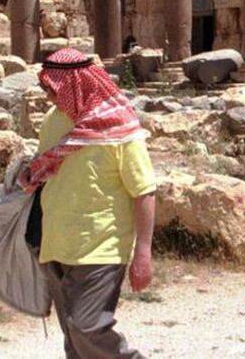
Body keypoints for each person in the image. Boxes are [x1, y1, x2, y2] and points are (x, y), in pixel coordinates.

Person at [18, 48, 155, 358]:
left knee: (87, 327)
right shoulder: (54, 119)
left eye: (52, 87)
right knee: (73, 337)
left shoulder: (120, 126)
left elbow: (144, 190)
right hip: (55, 242)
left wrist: (143, 253)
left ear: (73, 84)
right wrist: (30, 175)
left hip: (101, 244)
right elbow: (49, 166)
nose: (48, 94)